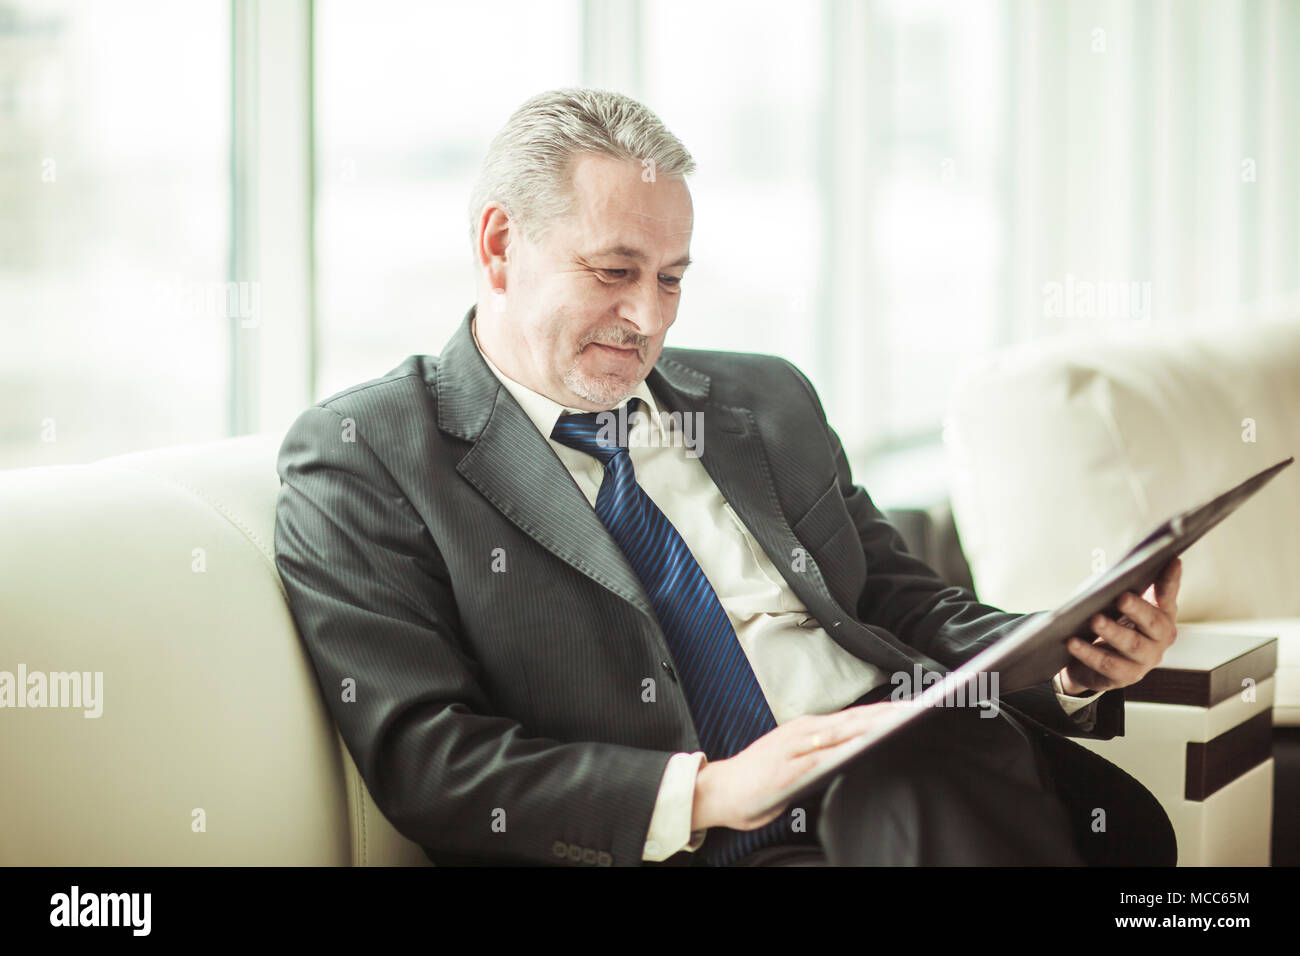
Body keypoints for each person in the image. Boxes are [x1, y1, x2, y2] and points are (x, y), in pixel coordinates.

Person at [273, 88, 1180, 867]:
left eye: (671, 278)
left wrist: (1066, 654)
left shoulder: (763, 397)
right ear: (501, 246)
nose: (646, 318)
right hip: (699, 832)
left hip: (917, 773)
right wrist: (706, 791)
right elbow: (430, 760)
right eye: (614, 271)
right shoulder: (369, 453)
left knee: (942, 770)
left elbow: (900, 602)